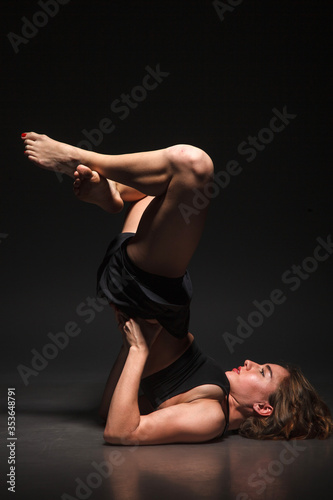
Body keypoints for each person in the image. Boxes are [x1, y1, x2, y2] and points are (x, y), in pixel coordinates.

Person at [22, 132, 332, 445]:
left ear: (263, 408)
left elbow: (120, 431)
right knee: (162, 190)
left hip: (148, 290)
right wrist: (133, 345)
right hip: (148, 293)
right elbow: (109, 411)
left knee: (194, 165)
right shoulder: (209, 401)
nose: (251, 362)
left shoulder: (211, 417)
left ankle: (80, 158)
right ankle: (112, 194)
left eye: (263, 372)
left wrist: (138, 348)